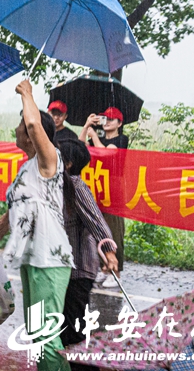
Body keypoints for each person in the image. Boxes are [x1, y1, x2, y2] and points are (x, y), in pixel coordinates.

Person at [0, 79, 73, 371]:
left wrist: (28, 94)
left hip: (50, 260)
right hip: (32, 260)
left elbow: (35, 126)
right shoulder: (27, 167)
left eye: (21, 124)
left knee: (46, 339)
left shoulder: (50, 161)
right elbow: (17, 209)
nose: (18, 128)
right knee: (37, 336)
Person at [57, 139, 119, 371]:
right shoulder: (58, 185)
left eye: (58, 155)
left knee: (74, 330)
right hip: (65, 269)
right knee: (68, 327)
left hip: (79, 270)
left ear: (69, 164)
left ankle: (87, 368)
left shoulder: (75, 186)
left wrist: (110, 252)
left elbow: (96, 221)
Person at [79, 106, 128, 286]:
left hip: (114, 191)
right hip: (98, 188)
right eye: (105, 119)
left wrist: (94, 136)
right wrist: (86, 127)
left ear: (119, 123)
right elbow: (80, 147)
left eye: (112, 119)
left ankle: (116, 272)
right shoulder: (96, 138)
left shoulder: (121, 139)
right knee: (98, 228)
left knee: (114, 230)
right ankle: (103, 268)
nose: (107, 122)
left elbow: (106, 154)